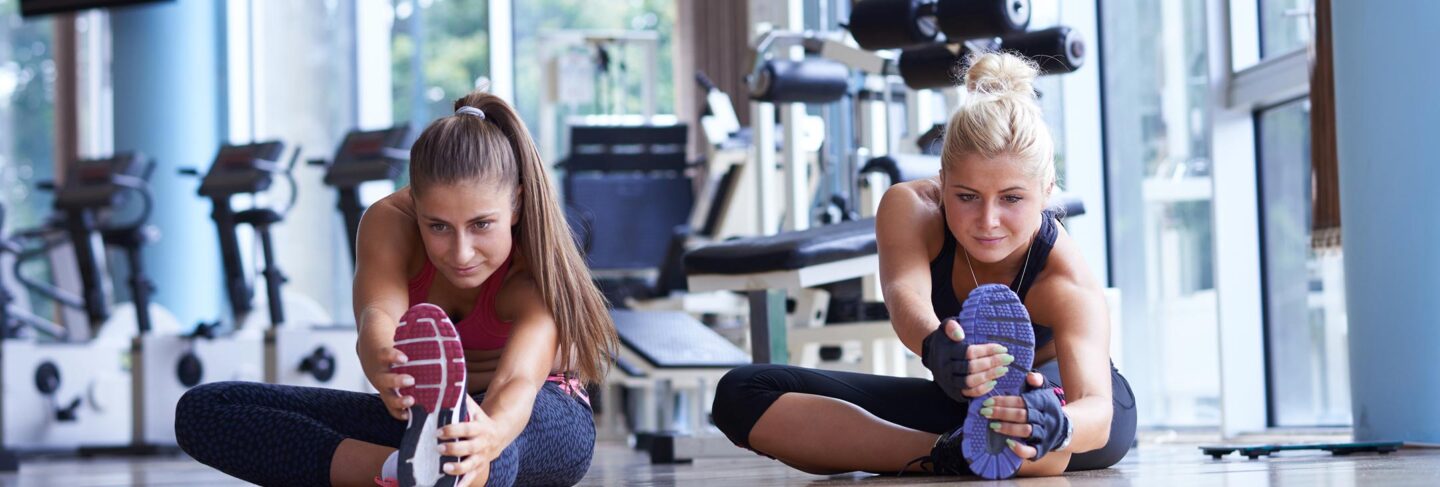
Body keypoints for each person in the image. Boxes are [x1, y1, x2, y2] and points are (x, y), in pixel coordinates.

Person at [710, 51, 1137, 479]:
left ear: (1046, 192)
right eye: (966, 196)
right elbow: (905, 295)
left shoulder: (1063, 276)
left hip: (1061, 411)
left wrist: (1055, 424)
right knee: (741, 393)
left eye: (1011, 198)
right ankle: (948, 453)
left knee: (1030, 444)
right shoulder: (911, 207)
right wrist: (936, 346)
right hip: (962, 407)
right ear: (942, 181)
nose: (988, 221)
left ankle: (976, 450)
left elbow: (1097, 413)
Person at [174, 91, 616, 487]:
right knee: (207, 409)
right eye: (438, 226)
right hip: (420, 424)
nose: (461, 252)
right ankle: (402, 472)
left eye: (481, 225)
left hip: (536, 416)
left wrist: (488, 435)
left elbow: (517, 382)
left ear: (515, 203)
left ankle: (442, 470)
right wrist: (384, 361)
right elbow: (377, 319)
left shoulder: (535, 265)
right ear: (415, 205)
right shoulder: (388, 223)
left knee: (479, 450)